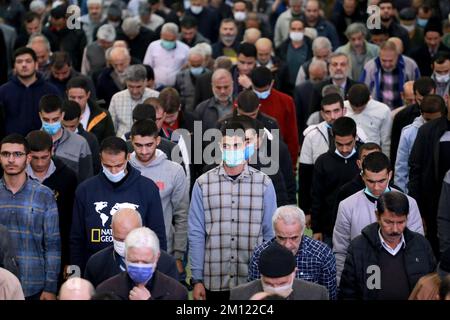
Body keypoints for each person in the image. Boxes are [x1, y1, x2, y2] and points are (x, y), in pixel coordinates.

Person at [189, 121, 277, 301]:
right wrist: (197, 279)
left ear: (246, 145)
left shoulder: (264, 183)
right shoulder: (202, 184)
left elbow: (270, 234)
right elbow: (196, 233)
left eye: (236, 145)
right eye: (226, 145)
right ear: (219, 146)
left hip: (253, 280)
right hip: (214, 280)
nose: (231, 149)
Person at [70, 136, 166, 272]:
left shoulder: (147, 188)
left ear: (127, 157)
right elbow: (76, 239)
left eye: (119, 165)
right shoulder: (85, 190)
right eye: (108, 166)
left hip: (136, 269)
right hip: (95, 271)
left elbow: (158, 236)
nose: (114, 171)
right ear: (100, 159)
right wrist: (75, 276)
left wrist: (158, 274)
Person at [334, 152, 424, 283]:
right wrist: (340, 284)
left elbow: (417, 246)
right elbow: (341, 251)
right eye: (371, 181)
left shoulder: (410, 203)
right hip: (362, 277)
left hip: (402, 275)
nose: (376, 187)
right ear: (362, 176)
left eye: (381, 181)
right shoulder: (347, 206)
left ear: (390, 175)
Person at [339, 191, 436, 300]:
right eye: (388, 222)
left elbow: (434, 286)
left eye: (400, 222)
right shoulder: (358, 247)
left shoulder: (421, 245)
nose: (395, 229)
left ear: (407, 218)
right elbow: (347, 294)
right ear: (377, 216)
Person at [0, 134, 60, 299]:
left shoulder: (44, 194)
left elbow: (53, 244)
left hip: (34, 285)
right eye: (6, 154)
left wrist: (50, 287)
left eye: (17, 154)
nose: (11, 159)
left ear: (28, 158)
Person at [129, 119, 189, 266]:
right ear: (131, 141)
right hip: (127, 249)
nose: (144, 151)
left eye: (149, 145)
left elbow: (182, 214)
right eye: (139, 145)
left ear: (158, 140)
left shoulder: (174, 171)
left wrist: (178, 255)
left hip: (163, 250)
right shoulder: (122, 168)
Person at [248, 206, 337, 299]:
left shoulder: (322, 254)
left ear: (303, 231)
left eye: (294, 238)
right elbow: (254, 293)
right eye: (281, 238)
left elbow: (330, 295)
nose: (287, 245)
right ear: (274, 232)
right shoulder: (260, 254)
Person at [25, 130, 78, 277]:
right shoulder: (18, 175)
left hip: (58, 250)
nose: (40, 163)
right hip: (24, 250)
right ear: (27, 154)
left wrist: (69, 260)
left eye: (44, 157)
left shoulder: (68, 177)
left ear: (52, 151)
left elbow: (71, 222)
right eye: (34, 158)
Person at [84, 208, 178, 287]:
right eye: (119, 239)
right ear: (111, 230)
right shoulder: (96, 264)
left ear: (142, 229)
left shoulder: (166, 264)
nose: (125, 244)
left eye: (130, 238)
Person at [409, 93, 450, 255]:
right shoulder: (427, 131)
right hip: (433, 207)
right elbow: (415, 171)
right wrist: (417, 210)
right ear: (447, 97)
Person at [96, 227, 188, 300]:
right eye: (134, 261)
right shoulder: (106, 290)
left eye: (145, 262)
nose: (140, 266)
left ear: (157, 257)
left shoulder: (176, 292)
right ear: (126, 256)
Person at [311, 117, 361, 246]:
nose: (344, 149)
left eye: (349, 144)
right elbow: (317, 196)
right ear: (333, 138)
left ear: (356, 137)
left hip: (360, 226)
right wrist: (317, 229)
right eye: (339, 144)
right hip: (330, 229)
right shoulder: (323, 162)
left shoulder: (364, 158)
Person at [232, 241, 329, 300]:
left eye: (282, 283)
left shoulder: (316, 294)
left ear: (294, 273)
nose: (275, 288)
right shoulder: (239, 295)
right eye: (268, 283)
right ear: (261, 275)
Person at [0, 47, 60, 137]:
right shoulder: (3, 91)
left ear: (36, 65)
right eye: (19, 62)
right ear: (14, 67)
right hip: (11, 146)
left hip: (44, 145)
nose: (24, 65)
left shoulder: (51, 90)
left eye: (28, 61)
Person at [395, 95, 446, 193]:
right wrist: (401, 195)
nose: (432, 124)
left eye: (436, 120)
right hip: (417, 190)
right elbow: (401, 168)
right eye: (428, 120)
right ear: (421, 114)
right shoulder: (409, 133)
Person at [251, 66, 299, 169]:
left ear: (272, 83)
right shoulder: (243, 102)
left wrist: (292, 165)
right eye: (257, 91)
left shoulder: (286, 102)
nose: (260, 94)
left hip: (278, 160)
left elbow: (292, 136)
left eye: (264, 91)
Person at [38, 94, 93, 182]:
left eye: (55, 119)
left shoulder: (80, 143)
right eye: (46, 120)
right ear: (40, 116)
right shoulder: (30, 141)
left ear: (62, 115)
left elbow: (86, 180)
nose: (51, 123)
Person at [360, 40, 420, 109]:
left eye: (390, 60)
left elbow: (419, 89)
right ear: (379, 56)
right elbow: (363, 90)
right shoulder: (370, 67)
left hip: (404, 110)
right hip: (377, 111)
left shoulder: (410, 65)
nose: (387, 64)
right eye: (384, 60)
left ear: (397, 56)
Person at [390, 76, 437, 163]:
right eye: (420, 100)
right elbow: (395, 150)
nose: (425, 103)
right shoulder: (402, 117)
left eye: (429, 99)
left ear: (435, 92)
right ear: (415, 95)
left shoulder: (446, 114)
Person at [109, 64, 159, 138]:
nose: (135, 91)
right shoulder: (116, 98)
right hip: (122, 145)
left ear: (145, 81)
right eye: (131, 86)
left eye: (138, 86)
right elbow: (111, 129)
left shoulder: (156, 97)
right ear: (126, 82)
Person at [345, 83, 392, 157]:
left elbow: (386, 142)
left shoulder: (383, 110)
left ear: (369, 99)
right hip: (347, 154)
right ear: (347, 97)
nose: (357, 110)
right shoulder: (341, 108)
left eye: (361, 108)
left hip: (373, 156)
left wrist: (386, 161)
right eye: (354, 108)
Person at [67, 77, 115, 144]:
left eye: (80, 97)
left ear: (88, 95)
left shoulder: (103, 116)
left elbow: (110, 142)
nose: (76, 101)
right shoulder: (59, 115)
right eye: (72, 97)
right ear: (67, 94)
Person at [143, 23, 189, 89]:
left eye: (171, 40)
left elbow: (186, 68)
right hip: (156, 86)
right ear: (161, 35)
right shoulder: (153, 46)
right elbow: (147, 67)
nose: (168, 42)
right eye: (166, 39)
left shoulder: (185, 49)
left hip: (176, 87)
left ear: (176, 37)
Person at [62, 100, 101, 174]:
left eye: (72, 126)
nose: (68, 130)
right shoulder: (52, 137)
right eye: (65, 126)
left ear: (80, 119)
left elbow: (95, 167)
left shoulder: (90, 139)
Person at [275, 18, 313, 92]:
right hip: (287, 88)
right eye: (293, 29)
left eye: (299, 29)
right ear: (289, 30)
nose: (296, 31)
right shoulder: (282, 48)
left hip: (306, 87)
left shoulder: (311, 46)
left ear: (304, 30)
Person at [175, 46, 211, 112]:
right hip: (187, 112)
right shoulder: (180, 76)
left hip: (204, 112)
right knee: (195, 122)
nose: (196, 67)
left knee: (198, 122)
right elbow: (177, 96)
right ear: (188, 62)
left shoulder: (210, 76)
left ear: (204, 61)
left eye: (198, 65)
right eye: (193, 65)